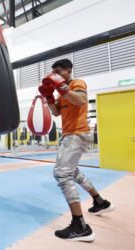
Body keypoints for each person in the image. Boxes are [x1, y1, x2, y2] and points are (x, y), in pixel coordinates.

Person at [39, 59, 114, 242]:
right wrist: (49, 96)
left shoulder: (76, 83)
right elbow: (56, 113)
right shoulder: (60, 94)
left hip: (77, 134)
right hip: (69, 135)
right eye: (53, 72)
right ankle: (100, 202)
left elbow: (80, 101)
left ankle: (80, 226)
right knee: (73, 173)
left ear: (68, 70)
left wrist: (62, 87)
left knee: (61, 174)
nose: (55, 75)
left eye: (58, 71)